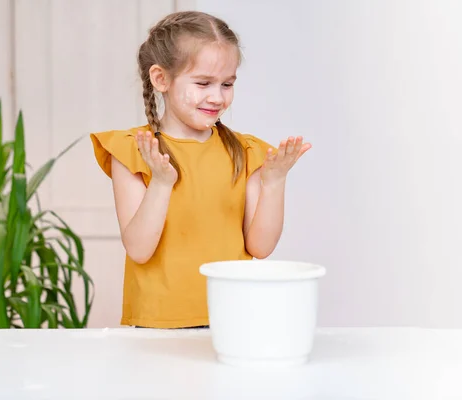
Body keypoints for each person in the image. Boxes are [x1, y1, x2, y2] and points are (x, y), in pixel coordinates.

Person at [90, 11, 310, 329]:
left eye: (227, 84)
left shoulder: (246, 152)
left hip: (232, 316)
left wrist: (274, 182)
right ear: (161, 79)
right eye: (203, 83)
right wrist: (162, 183)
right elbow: (138, 248)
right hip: (158, 322)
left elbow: (259, 247)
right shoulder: (133, 149)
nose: (217, 97)